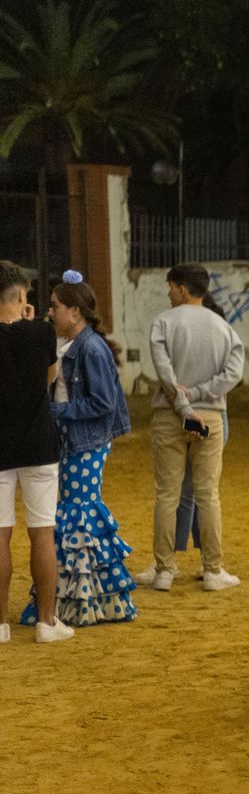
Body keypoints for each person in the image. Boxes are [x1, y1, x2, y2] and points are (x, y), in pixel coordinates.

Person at [15, 270, 136, 630]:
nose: (49, 313)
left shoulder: (91, 348)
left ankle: (84, 600)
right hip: (76, 441)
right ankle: (81, 600)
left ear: (75, 311)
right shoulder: (76, 345)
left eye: (54, 307)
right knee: (76, 517)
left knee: (78, 516)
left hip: (86, 442)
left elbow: (103, 402)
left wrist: (56, 412)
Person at [140, 262, 245, 592]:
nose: (169, 293)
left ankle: (164, 569)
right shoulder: (224, 328)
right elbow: (233, 375)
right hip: (211, 414)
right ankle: (212, 569)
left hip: (170, 415)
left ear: (182, 289)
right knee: (208, 494)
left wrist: (184, 403)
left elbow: (164, 373)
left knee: (167, 494)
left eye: (171, 287)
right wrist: (201, 395)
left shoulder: (163, 323)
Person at [0, 260, 74, 643]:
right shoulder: (43, 333)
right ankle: (47, 622)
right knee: (42, 533)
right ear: (23, 296)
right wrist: (30, 325)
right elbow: (48, 380)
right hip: (39, 445)